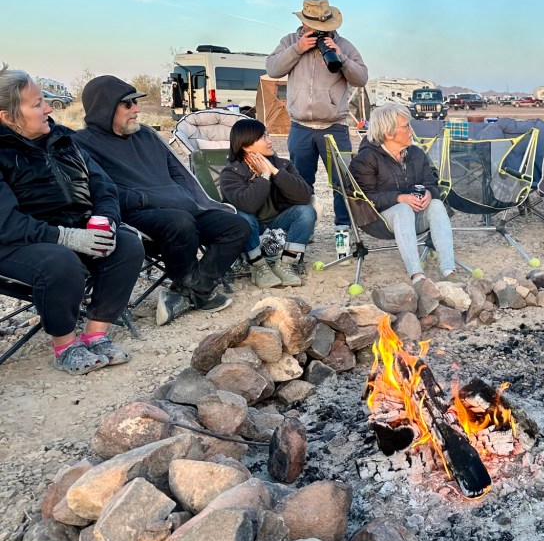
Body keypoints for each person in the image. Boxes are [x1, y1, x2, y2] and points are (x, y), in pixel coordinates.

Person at [0, 66, 144, 373]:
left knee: (127, 244)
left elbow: (104, 187)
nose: (48, 109)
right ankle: (64, 346)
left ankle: (95, 334)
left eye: (44, 100)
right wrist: (67, 237)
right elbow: (7, 224)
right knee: (60, 261)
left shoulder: (64, 140)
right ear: (8, 117)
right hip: (16, 244)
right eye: (37, 104)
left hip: (74, 230)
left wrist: (104, 222)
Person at [76, 76, 250, 326]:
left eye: (136, 102)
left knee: (236, 226)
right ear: (104, 108)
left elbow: (177, 172)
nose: (136, 109)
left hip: (179, 207)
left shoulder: (146, 135)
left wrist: (182, 196)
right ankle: (194, 291)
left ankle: (192, 290)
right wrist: (148, 198)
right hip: (137, 214)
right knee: (179, 222)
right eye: (128, 104)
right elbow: (100, 191)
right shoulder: (83, 144)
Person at [265, 0, 368, 257]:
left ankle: (343, 236)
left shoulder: (344, 45)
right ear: (304, 22)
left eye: (323, 26)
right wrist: (297, 48)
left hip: (334, 126)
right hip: (300, 127)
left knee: (342, 184)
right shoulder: (290, 41)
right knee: (300, 185)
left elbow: (361, 78)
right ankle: (304, 230)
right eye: (313, 26)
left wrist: (341, 57)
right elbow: (272, 69)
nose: (319, 31)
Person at [350, 104, 457, 283]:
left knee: (437, 205)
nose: (411, 130)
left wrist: (429, 193)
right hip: (377, 220)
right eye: (406, 126)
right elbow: (364, 199)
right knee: (402, 209)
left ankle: (448, 270)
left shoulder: (416, 153)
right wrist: (399, 198)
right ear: (388, 133)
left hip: (413, 217)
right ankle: (417, 276)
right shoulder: (366, 159)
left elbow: (431, 183)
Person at [219, 119, 317, 288]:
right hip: (250, 228)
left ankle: (286, 264)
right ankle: (258, 267)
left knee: (307, 211)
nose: (270, 140)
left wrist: (275, 172)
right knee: (242, 216)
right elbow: (248, 205)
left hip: (277, 224)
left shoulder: (283, 165)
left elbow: (304, 196)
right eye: (263, 137)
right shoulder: (231, 173)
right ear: (246, 146)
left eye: (268, 135)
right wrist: (264, 176)